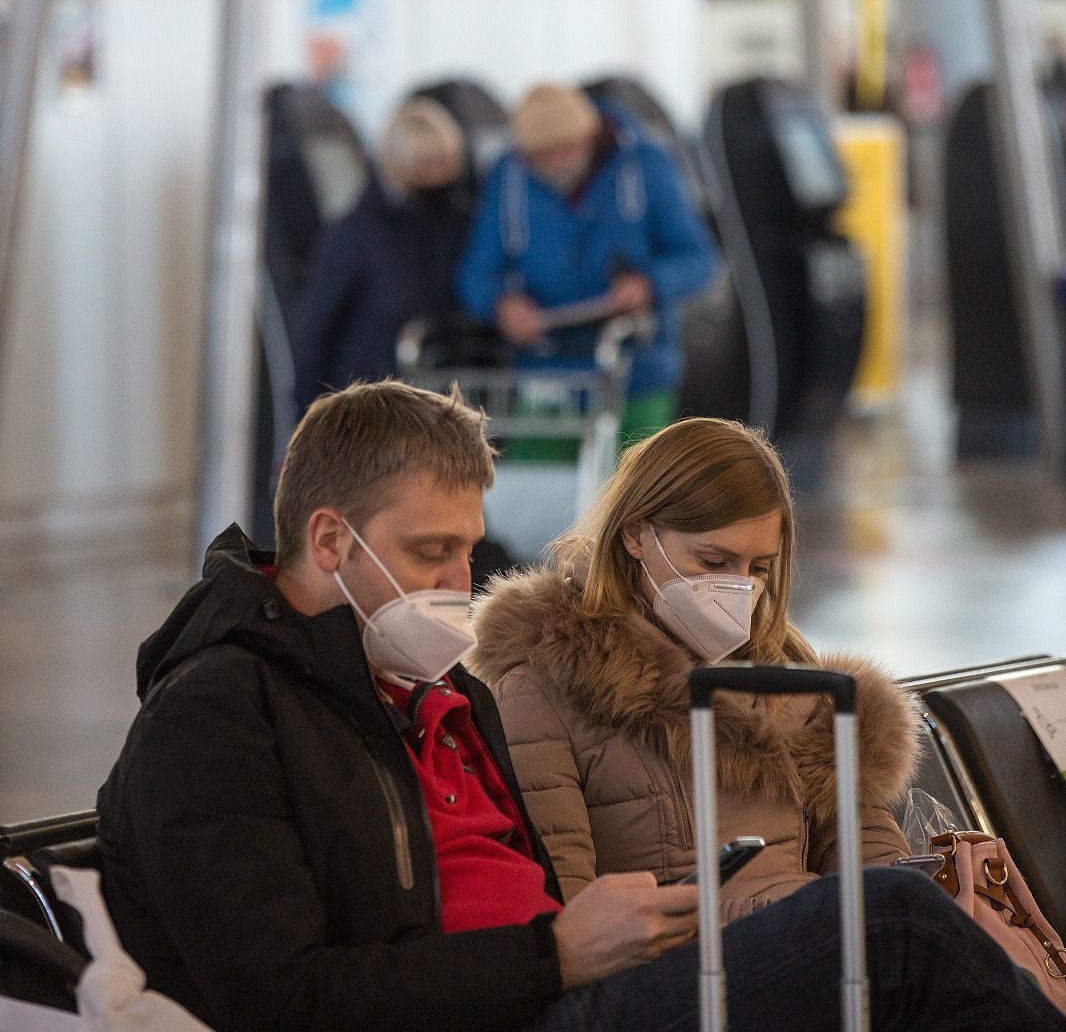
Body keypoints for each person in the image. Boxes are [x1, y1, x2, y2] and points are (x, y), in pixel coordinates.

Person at [96, 383, 1064, 1032]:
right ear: (330, 536)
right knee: (887, 923)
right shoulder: (219, 714)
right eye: (431, 549)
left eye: (468, 548)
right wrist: (553, 953)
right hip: (539, 1001)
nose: (456, 582)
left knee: (888, 922)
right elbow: (282, 996)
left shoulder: (426, 693)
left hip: (561, 985)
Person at [471, 417, 920, 917]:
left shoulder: (790, 674)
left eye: (759, 569)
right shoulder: (542, 688)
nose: (739, 588)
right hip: (679, 967)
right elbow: (576, 919)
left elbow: (869, 852)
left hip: (816, 951)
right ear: (636, 535)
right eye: (713, 562)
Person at [457, 83, 714, 444]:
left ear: (589, 136)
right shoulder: (508, 177)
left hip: (637, 374)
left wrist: (649, 284)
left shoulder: (648, 166)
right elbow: (475, 274)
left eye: (564, 149)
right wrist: (501, 306)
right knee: (541, 494)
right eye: (539, 156)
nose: (553, 165)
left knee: (634, 494)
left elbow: (699, 259)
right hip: (546, 375)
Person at [292, 97, 470, 413]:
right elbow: (318, 331)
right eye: (426, 164)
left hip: (423, 402)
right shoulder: (358, 233)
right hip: (366, 406)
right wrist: (303, 417)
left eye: (443, 162)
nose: (438, 175)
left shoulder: (457, 225)